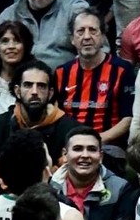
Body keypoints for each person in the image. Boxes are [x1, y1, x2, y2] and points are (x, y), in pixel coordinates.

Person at [50, 126, 138, 220]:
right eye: (78, 149)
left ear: (101, 156)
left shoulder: (120, 188)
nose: (85, 155)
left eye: (91, 149)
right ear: (65, 155)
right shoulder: (50, 188)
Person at [0, 60, 78, 174]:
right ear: (17, 91)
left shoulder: (70, 131)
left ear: (50, 93)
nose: (34, 92)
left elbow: (70, 174)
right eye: (28, 85)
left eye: (41, 86)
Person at [54, 8, 135, 146]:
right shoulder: (61, 72)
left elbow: (128, 118)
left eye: (93, 30)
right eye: (80, 31)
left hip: (108, 146)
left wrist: (95, 141)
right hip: (69, 146)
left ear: (103, 36)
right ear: (72, 39)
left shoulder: (122, 70)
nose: (87, 37)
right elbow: (55, 115)